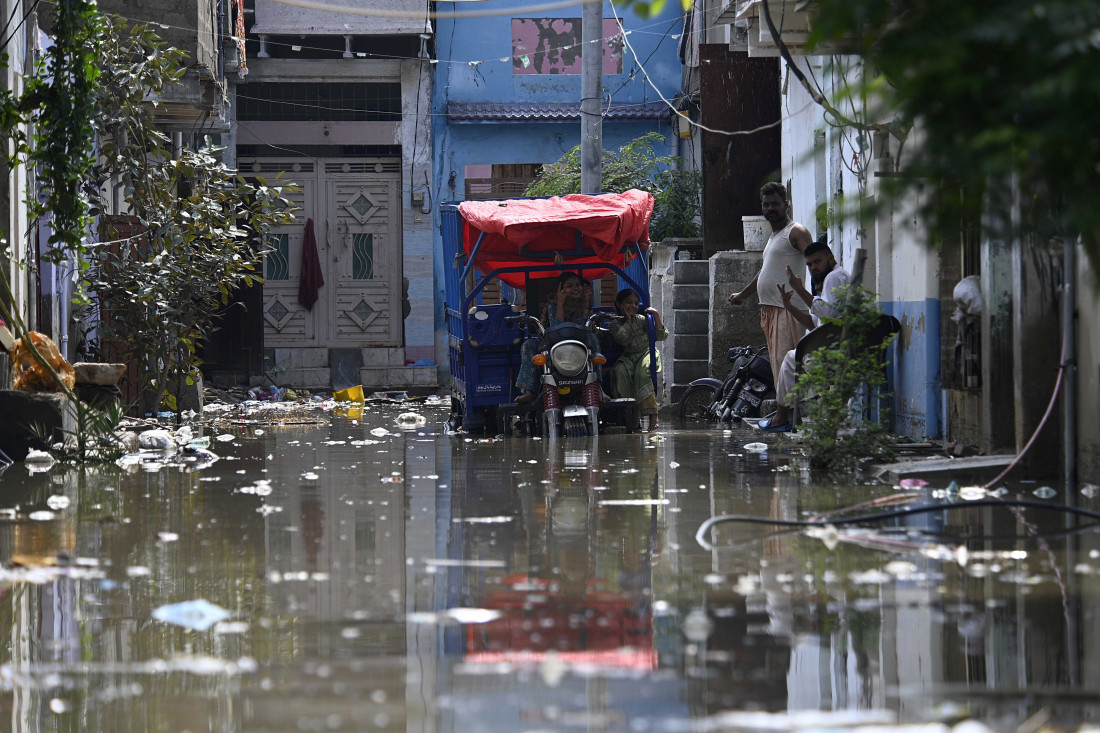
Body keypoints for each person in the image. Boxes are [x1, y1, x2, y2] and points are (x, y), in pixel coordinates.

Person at [758, 240, 852, 432]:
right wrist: (790, 306)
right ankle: (789, 416)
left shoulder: (835, 277)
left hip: (838, 353)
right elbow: (814, 323)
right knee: (792, 358)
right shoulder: (830, 280)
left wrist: (800, 289)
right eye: (809, 264)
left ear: (831, 258)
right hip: (834, 349)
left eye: (817, 262)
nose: (813, 268)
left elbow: (827, 313)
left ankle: (782, 416)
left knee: (791, 359)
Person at [727, 182, 813, 389]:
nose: (770, 209)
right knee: (778, 366)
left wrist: (817, 297)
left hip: (788, 310)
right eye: (766, 205)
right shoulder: (774, 236)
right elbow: (765, 272)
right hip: (771, 310)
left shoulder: (796, 232)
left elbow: (814, 258)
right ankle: (786, 413)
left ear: (786, 204)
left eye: (775, 204)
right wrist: (744, 294)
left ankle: (790, 415)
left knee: (788, 366)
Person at [514, 271, 594, 404]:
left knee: (593, 339)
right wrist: (560, 304)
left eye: (578, 285)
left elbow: (585, 331)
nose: (576, 288)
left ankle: (598, 387)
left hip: (579, 347)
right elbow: (558, 330)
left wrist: (587, 305)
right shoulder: (552, 306)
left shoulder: (583, 307)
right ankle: (529, 392)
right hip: (553, 346)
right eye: (570, 286)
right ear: (561, 289)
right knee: (528, 344)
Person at [608, 288, 668, 431]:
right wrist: (627, 321)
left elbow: (661, 336)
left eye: (636, 303)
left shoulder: (642, 320)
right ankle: (633, 412)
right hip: (629, 356)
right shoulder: (614, 324)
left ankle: (653, 414)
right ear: (619, 304)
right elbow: (623, 340)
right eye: (628, 303)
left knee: (642, 374)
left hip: (646, 352)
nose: (633, 306)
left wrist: (657, 315)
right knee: (619, 371)